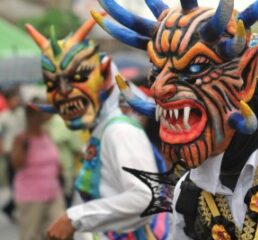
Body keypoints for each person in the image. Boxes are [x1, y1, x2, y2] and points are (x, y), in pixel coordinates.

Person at [93, 0, 258, 239]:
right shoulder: (186, 197)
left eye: (195, 68)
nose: (160, 88)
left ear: (245, 77)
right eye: (157, 70)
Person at [26, 17, 168, 239]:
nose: (63, 91)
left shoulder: (120, 131)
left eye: (78, 77)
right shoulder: (101, 130)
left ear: (103, 76)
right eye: (53, 83)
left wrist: (75, 218)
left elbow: (147, 196)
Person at [12, 100, 65, 240]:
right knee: (30, 235)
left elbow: (55, 159)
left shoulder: (46, 134)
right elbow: (16, 164)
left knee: (58, 232)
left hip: (53, 192)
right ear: (31, 116)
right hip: (31, 196)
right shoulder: (21, 139)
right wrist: (24, 147)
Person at [0, 86, 25, 221]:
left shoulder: (22, 113)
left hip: (24, 151)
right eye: (12, 99)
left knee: (23, 181)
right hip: (10, 154)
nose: (14, 102)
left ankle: (11, 207)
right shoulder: (3, 117)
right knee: (14, 182)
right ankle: (11, 207)